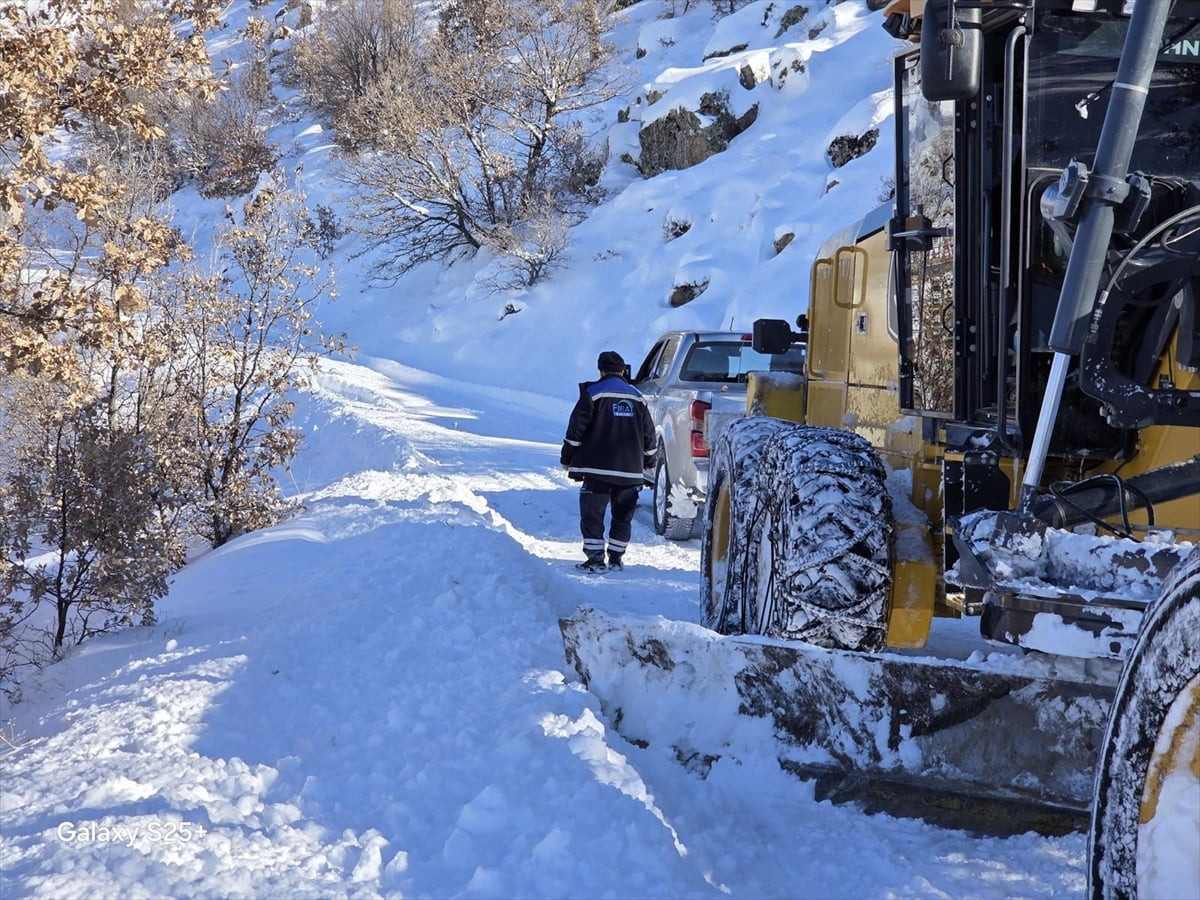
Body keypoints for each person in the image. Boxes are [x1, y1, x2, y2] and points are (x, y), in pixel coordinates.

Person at [561, 350, 657, 572]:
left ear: (601, 370)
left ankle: (595, 559)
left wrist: (567, 457)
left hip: (596, 470)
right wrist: (649, 460)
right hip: (630, 471)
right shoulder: (636, 396)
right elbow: (649, 434)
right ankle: (616, 558)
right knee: (623, 517)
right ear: (623, 371)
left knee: (593, 515)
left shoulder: (592, 393)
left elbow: (576, 429)